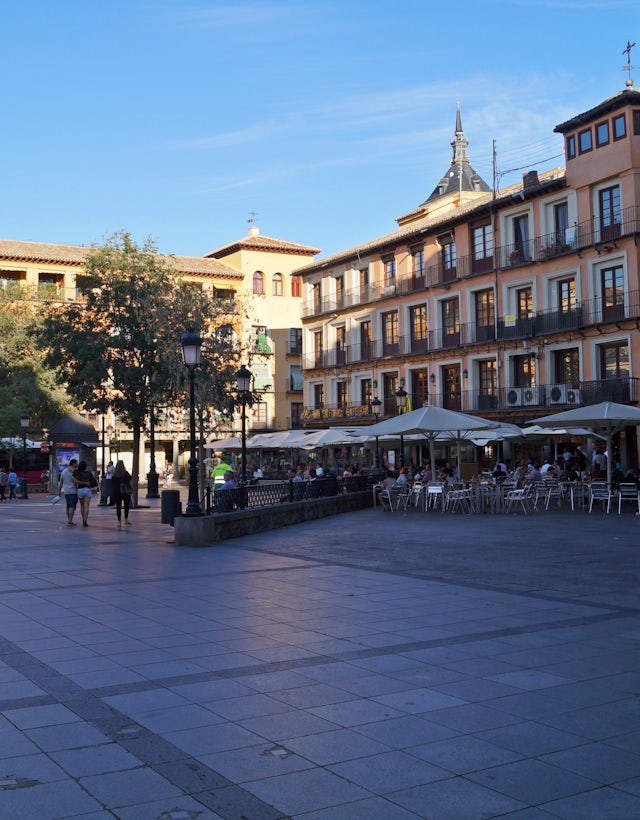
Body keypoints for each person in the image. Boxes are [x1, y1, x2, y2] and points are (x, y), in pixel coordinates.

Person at [111, 459, 133, 526]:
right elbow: (130, 482)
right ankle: (126, 520)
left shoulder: (114, 474)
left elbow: (112, 483)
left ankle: (119, 521)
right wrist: (131, 489)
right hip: (125, 491)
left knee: (118, 506)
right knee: (126, 505)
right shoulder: (126, 473)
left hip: (117, 491)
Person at [74, 461, 95, 527]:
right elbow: (93, 481)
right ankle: (85, 520)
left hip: (79, 490)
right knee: (86, 506)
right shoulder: (89, 473)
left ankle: (83, 518)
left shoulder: (76, 472)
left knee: (82, 505)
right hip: (87, 490)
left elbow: (75, 481)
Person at [59, 459, 79, 526]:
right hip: (73, 491)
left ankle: (69, 519)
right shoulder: (74, 472)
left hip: (66, 491)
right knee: (72, 506)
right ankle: (70, 521)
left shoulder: (63, 472)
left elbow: (61, 482)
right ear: (73, 464)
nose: (77, 464)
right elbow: (76, 482)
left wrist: (59, 491)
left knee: (68, 506)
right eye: (76, 463)